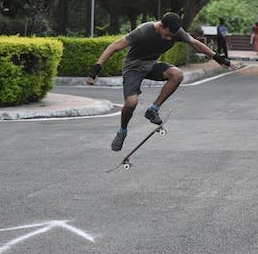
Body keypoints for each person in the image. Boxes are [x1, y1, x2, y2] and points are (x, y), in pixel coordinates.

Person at [86, 12, 238, 151]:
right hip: (133, 67)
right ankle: (122, 131)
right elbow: (114, 46)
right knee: (131, 103)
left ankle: (153, 109)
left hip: (151, 64)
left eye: (172, 36)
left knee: (177, 74)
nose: (169, 38)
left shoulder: (176, 32)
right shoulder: (143, 31)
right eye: (167, 34)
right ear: (160, 26)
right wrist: (96, 70)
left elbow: (196, 43)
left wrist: (219, 59)